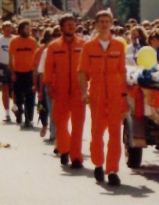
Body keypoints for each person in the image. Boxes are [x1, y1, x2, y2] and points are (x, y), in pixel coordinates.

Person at [78, 10, 128, 186]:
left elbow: (122, 72)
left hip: (115, 93)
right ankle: (98, 163)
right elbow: (82, 71)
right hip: (97, 92)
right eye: (102, 21)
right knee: (97, 132)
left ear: (112, 23)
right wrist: (84, 91)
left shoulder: (119, 46)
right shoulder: (88, 47)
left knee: (115, 133)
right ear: (96, 24)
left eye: (107, 21)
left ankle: (112, 170)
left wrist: (125, 96)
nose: (105, 24)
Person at [44, 14, 87, 169]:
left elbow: (88, 66)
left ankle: (76, 156)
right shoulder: (54, 46)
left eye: (72, 24)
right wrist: (48, 84)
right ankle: (64, 149)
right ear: (61, 27)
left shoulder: (83, 44)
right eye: (67, 24)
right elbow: (48, 66)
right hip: (59, 88)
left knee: (78, 123)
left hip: (78, 89)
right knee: (60, 122)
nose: (71, 26)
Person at [9, 21, 39, 129]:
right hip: (17, 72)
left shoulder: (32, 41)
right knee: (18, 97)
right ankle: (19, 112)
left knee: (30, 97)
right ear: (21, 29)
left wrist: (36, 72)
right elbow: (11, 58)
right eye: (26, 29)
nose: (28, 31)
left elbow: (36, 58)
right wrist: (12, 72)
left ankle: (29, 119)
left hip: (29, 72)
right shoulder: (14, 41)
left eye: (29, 29)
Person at [0, 23, 15, 123]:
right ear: (3, 29)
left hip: (14, 67)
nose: (8, 30)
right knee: (4, 89)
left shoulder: (15, 39)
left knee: (15, 89)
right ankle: (7, 113)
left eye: (10, 28)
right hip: (2, 66)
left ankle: (16, 107)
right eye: (6, 28)